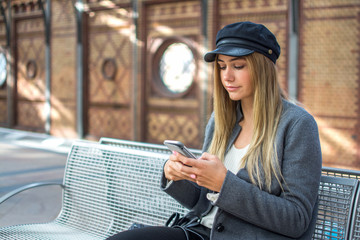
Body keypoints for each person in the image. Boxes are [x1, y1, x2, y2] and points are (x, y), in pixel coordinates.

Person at [107, 21, 322, 240]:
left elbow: (296, 219)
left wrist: (224, 183)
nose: (227, 76)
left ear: (263, 68)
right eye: (222, 66)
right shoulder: (221, 121)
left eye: (238, 66)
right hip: (199, 232)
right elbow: (204, 201)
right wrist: (177, 176)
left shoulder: (297, 124)